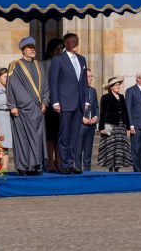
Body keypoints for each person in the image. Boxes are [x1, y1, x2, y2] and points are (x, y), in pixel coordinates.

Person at [7, 36, 49, 176]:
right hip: (22, 110)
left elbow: (45, 87)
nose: (32, 49)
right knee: (23, 139)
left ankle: (35, 166)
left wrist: (45, 102)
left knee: (37, 139)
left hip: (38, 109)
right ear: (23, 50)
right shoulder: (16, 65)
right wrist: (12, 105)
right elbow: (11, 86)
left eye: (33, 47)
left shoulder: (39, 65)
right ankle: (24, 166)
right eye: (29, 47)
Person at [49, 32, 89, 174]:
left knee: (75, 135)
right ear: (66, 44)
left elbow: (83, 82)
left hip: (78, 103)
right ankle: (64, 164)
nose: (76, 43)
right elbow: (53, 82)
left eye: (77, 41)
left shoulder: (82, 60)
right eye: (73, 41)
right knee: (64, 135)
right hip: (65, 102)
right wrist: (55, 102)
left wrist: (86, 101)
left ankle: (71, 163)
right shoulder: (58, 60)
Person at [97, 77, 133, 172]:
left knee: (119, 149)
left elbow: (125, 112)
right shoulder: (105, 97)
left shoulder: (121, 97)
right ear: (111, 87)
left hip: (121, 126)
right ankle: (110, 170)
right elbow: (102, 112)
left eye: (119, 85)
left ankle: (117, 169)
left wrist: (128, 127)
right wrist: (101, 127)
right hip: (110, 126)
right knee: (110, 148)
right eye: (116, 85)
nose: (118, 87)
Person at [42, 38, 64, 171]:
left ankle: (59, 161)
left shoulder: (63, 62)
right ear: (51, 51)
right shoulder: (45, 64)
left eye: (62, 48)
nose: (61, 51)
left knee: (59, 135)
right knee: (51, 135)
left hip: (62, 103)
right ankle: (50, 161)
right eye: (58, 48)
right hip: (50, 103)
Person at [80, 68, 100, 171]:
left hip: (91, 126)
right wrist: (82, 118)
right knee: (78, 152)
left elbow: (96, 107)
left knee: (88, 153)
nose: (91, 78)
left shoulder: (93, 90)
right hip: (80, 125)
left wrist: (96, 117)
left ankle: (87, 173)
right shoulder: (77, 90)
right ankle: (77, 172)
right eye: (89, 76)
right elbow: (75, 107)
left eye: (91, 76)